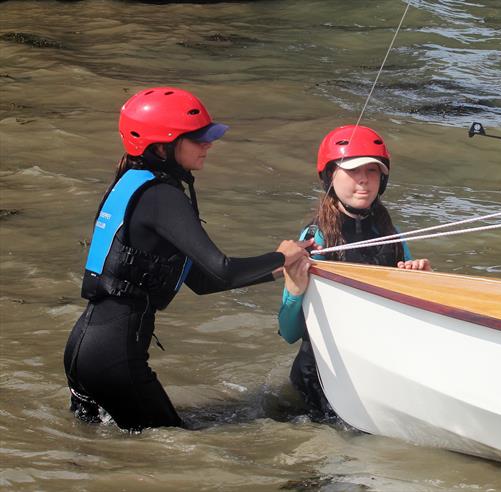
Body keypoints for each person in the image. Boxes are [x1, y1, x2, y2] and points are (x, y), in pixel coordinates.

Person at [63, 87, 313, 432]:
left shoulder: (134, 186)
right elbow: (222, 270)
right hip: (115, 356)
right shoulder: (163, 196)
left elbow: (203, 282)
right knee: (170, 449)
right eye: (197, 138)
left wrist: (282, 268)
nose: (208, 144)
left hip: (84, 349)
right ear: (162, 146)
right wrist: (280, 255)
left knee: (100, 454)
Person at [278, 124, 431, 421]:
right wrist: (295, 291)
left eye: (372, 171)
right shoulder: (314, 239)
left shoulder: (392, 235)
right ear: (329, 176)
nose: (363, 180)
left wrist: (422, 280)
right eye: (353, 170)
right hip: (317, 383)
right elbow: (288, 333)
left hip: (372, 379)